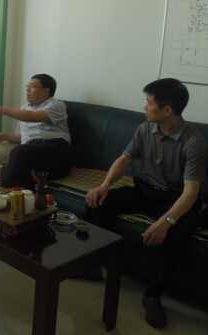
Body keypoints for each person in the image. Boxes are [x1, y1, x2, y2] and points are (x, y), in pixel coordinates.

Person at [86, 78, 206, 329]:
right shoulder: (145, 129)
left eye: (149, 102)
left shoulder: (193, 142)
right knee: (98, 201)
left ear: (167, 110)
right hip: (146, 190)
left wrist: (167, 221)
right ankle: (95, 264)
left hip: (176, 199)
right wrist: (104, 185)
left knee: (178, 230)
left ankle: (153, 294)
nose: (144, 107)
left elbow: (191, 193)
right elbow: (125, 160)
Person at [0, 74, 72, 190]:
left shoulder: (56, 104)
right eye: (28, 86)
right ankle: (19, 198)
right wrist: (5, 136)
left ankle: (2, 194)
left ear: (46, 91)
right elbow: (23, 137)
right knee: (26, 173)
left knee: (19, 151)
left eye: (33, 86)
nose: (28, 89)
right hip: (34, 153)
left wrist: (3, 110)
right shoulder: (24, 108)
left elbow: (36, 117)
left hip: (57, 152)